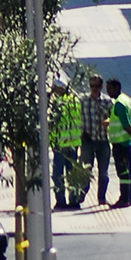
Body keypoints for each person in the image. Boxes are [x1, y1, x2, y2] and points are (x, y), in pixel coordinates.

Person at [80, 73, 112, 207]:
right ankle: (80, 196)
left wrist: (108, 120)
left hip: (103, 140)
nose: (94, 89)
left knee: (103, 172)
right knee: (86, 170)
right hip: (87, 139)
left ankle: (102, 198)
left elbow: (114, 117)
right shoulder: (83, 101)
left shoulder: (107, 101)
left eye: (97, 86)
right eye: (92, 86)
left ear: (101, 86)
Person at [107, 77, 131, 208]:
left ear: (116, 88)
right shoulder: (126, 99)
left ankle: (124, 198)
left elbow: (125, 123)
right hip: (126, 141)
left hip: (121, 142)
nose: (108, 92)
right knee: (128, 171)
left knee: (123, 171)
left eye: (109, 89)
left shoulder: (119, 103)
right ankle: (129, 197)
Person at [51, 81, 82, 210]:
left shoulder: (58, 103)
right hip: (74, 143)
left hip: (61, 144)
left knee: (58, 174)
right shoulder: (76, 101)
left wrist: (51, 142)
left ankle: (61, 201)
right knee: (72, 174)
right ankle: (74, 200)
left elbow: (54, 124)